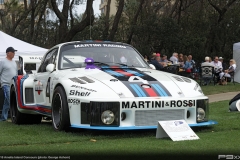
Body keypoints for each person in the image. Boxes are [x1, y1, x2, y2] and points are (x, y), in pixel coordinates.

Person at [0, 47, 18, 121]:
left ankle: (3, 117)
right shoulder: (2, 62)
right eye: (13, 52)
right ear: (8, 53)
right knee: (9, 99)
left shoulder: (14, 62)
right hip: (5, 84)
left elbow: (16, 73)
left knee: (7, 101)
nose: (14, 54)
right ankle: (10, 115)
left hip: (13, 85)